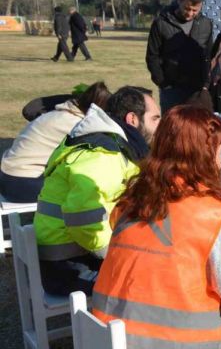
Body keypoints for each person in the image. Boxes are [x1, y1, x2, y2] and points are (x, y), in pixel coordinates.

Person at [92, 105, 221, 349]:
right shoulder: (211, 213)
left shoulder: (130, 202)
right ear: (206, 155)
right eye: (220, 152)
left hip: (110, 337)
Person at [33, 86, 160, 296]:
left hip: (71, 253)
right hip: (69, 266)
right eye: (155, 118)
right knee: (156, 276)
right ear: (133, 119)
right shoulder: (103, 154)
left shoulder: (109, 143)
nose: (160, 125)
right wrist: (118, 253)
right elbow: (84, 220)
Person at [1, 82, 111, 203]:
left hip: (8, 176)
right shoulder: (75, 124)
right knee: (85, 185)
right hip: (21, 183)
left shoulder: (59, 113)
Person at [146, 0, 213, 113]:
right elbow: (152, 55)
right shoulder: (161, 23)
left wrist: (206, 84)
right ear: (179, 0)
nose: (190, 13)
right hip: (171, 90)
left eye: (195, 10)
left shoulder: (206, 24)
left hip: (197, 89)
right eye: (187, 8)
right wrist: (162, 82)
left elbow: (208, 56)